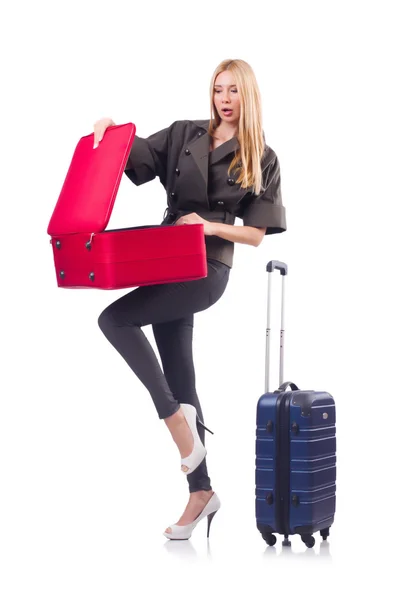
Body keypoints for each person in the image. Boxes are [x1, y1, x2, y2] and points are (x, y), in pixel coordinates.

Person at [94, 58, 287, 541]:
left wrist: (207, 225)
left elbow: (258, 234)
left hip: (207, 267)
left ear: (248, 96)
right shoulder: (185, 133)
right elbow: (135, 157)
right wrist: (110, 129)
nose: (224, 99)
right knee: (181, 374)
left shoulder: (262, 156)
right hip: (165, 257)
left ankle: (176, 421)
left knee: (114, 320)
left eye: (234, 91)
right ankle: (202, 492)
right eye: (218, 89)